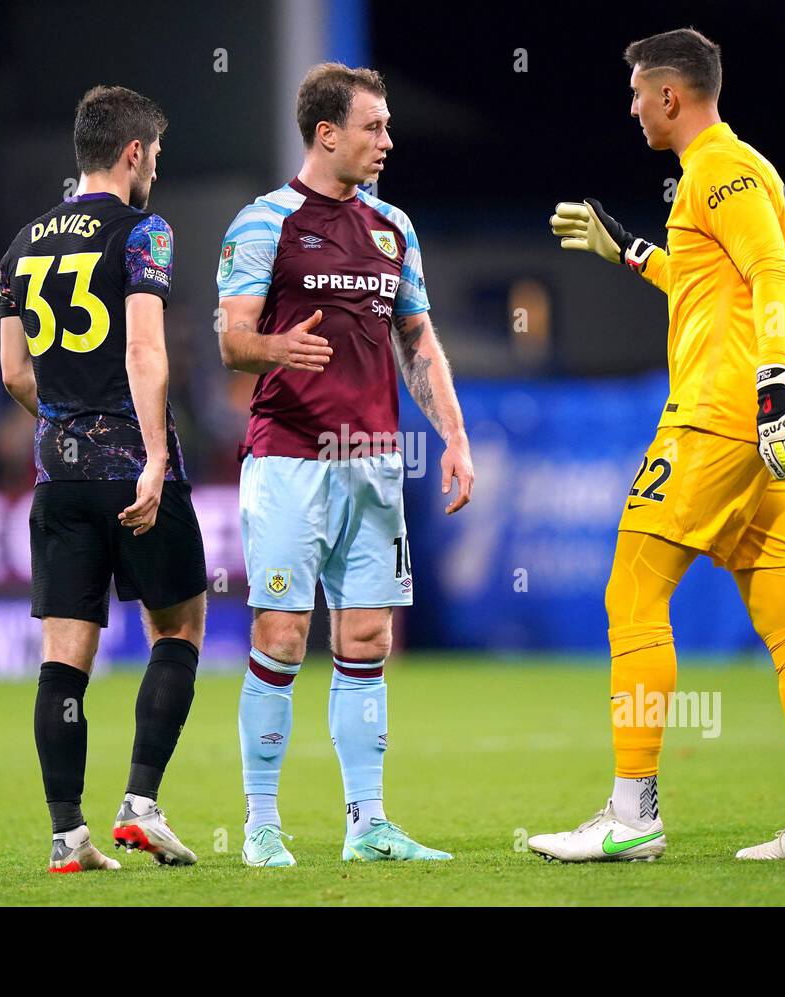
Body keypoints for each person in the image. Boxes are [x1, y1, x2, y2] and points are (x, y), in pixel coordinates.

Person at [529, 29, 785, 862]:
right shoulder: (735, 171)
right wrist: (633, 251)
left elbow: (773, 280)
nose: (633, 106)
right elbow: (717, 282)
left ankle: (633, 813)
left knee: (632, 592)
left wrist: (775, 386)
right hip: (758, 428)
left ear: (671, 96)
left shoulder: (720, 170)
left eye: (638, 92)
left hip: (720, 416)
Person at [216, 62, 474, 866]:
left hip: (373, 460)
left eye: (388, 126)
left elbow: (417, 339)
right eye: (375, 127)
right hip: (290, 458)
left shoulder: (394, 227)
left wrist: (456, 438)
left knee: (366, 634)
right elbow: (231, 339)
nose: (387, 141)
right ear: (327, 134)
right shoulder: (263, 223)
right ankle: (262, 824)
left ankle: (368, 825)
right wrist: (273, 347)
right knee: (284, 634)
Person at [0, 85, 206, 873]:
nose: (155, 166)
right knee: (178, 627)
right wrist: (153, 457)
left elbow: (15, 371)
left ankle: (66, 835)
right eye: (153, 153)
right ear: (132, 153)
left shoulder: (22, 242)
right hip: (130, 462)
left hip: (57, 468)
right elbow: (145, 353)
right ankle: (141, 806)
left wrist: (60, 428)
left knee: (64, 656)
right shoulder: (143, 230)